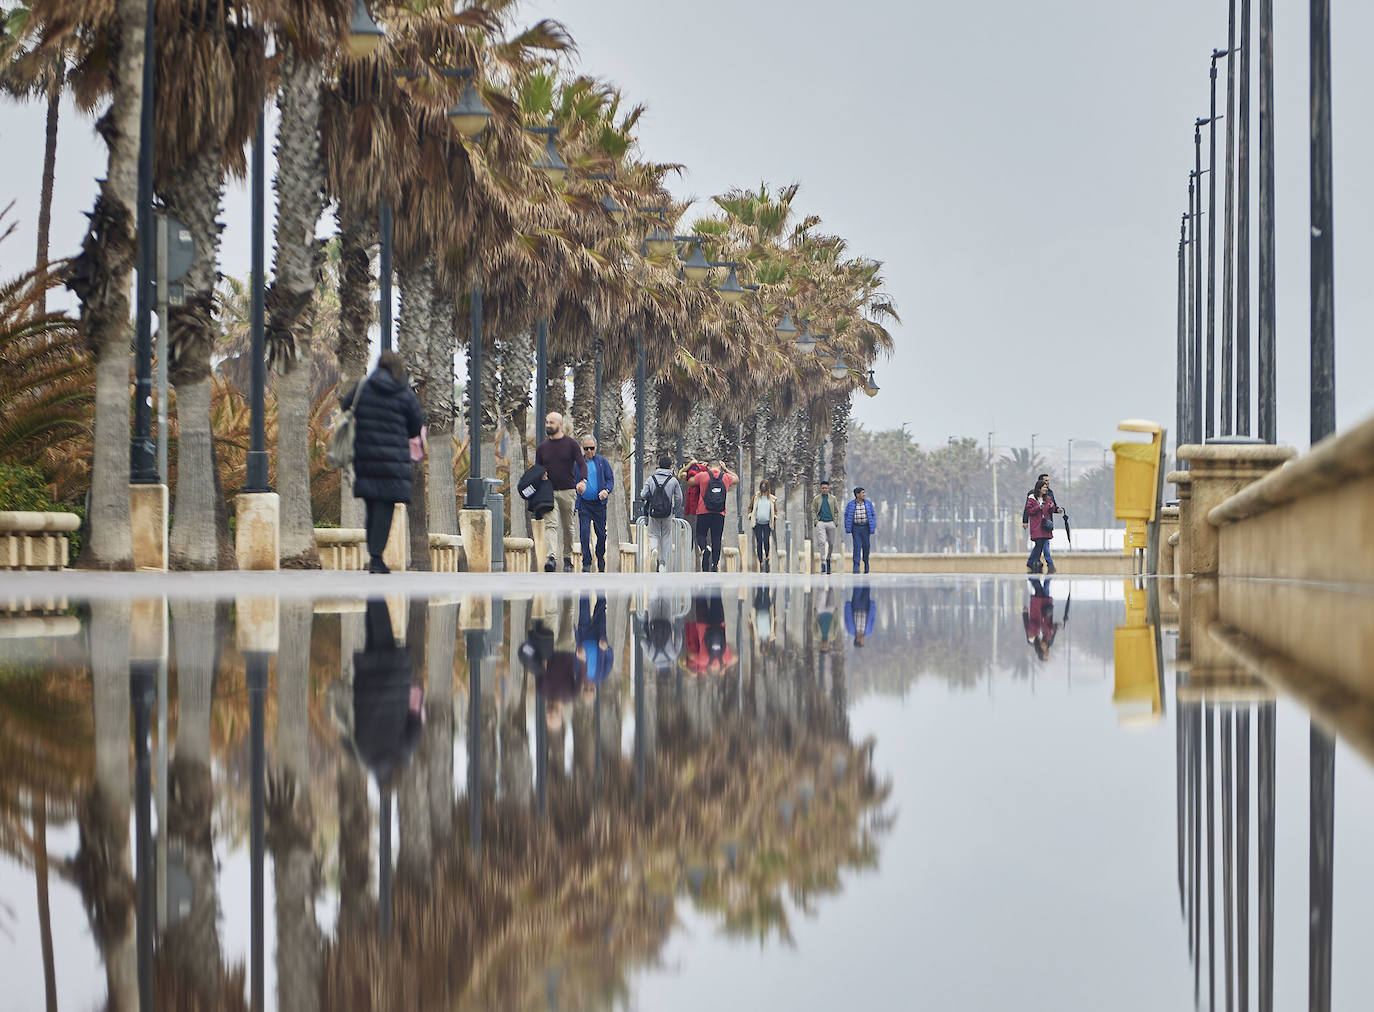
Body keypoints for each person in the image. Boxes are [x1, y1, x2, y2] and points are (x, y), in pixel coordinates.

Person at [341, 350, 424, 574]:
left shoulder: (363, 386)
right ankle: (377, 558)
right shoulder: (403, 392)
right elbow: (416, 425)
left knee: (371, 505)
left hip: (365, 456)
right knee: (385, 508)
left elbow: (346, 405)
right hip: (393, 459)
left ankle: (374, 554)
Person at [534, 412, 587, 572]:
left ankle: (567, 557)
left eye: (551, 422)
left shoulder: (571, 444)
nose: (548, 425)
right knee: (551, 525)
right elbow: (538, 467)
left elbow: (582, 464)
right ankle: (551, 558)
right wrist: (540, 474)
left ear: (560, 425)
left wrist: (583, 481)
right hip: (549, 493)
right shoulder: (542, 447)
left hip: (568, 491)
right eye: (547, 422)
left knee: (568, 527)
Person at [575, 434, 614, 572]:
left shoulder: (602, 462)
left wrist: (606, 491)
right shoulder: (578, 464)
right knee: (584, 533)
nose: (589, 451)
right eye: (586, 449)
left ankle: (600, 555)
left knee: (601, 534)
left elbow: (610, 480)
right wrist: (577, 487)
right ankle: (586, 562)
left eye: (592, 448)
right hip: (584, 504)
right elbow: (572, 480)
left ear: (596, 448)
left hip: (599, 505)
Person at [690, 458, 738, 572]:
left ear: (708, 466)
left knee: (700, 534)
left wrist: (699, 468)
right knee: (716, 538)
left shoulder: (703, 475)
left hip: (703, 511)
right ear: (719, 466)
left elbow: (690, 481)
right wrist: (726, 469)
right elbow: (737, 479)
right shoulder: (725, 477)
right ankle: (715, 564)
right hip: (719, 513)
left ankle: (704, 549)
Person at [640, 453, 684, 572]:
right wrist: (674, 509)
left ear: (659, 466)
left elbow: (643, 495)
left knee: (653, 534)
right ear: (670, 467)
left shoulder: (651, 479)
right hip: (667, 513)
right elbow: (679, 498)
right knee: (666, 536)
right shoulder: (673, 480)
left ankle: (654, 549)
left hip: (653, 512)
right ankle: (662, 564)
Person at [575, 592, 614, 684]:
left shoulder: (578, 674)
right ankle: (599, 580)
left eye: (586, 689)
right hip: (599, 636)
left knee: (584, 605)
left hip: (584, 635)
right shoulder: (603, 675)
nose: (589, 688)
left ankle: (584, 579)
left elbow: (574, 658)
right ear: (595, 691)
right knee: (601, 606)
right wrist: (606, 648)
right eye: (591, 690)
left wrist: (577, 652)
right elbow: (610, 658)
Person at [1025, 479, 1062, 574]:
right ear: (1039, 488)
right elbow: (1029, 511)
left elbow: (1051, 510)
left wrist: (1053, 507)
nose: (1046, 489)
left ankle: (1033, 562)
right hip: (1036, 525)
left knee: (1041, 545)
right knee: (1039, 544)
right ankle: (1035, 562)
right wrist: (1038, 507)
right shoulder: (1032, 498)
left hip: (1045, 526)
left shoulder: (1048, 498)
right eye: (1044, 487)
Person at [679, 457, 709, 569]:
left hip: (692, 510)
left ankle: (689, 565)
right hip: (707, 509)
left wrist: (690, 464)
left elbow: (680, 474)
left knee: (691, 536)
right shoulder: (707, 473)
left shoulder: (692, 477)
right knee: (704, 536)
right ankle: (708, 561)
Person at [1022, 577, 1060, 660]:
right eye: (1047, 652)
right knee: (1046, 589)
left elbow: (1026, 626)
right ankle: (1047, 573)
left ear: (1041, 651)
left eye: (1045, 652)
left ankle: (1032, 575)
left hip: (1036, 611)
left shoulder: (1031, 639)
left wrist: (1025, 614)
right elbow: (1054, 628)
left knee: (1038, 589)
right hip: (1046, 610)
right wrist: (1057, 626)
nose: (1047, 650)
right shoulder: (1049, 640)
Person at [844, 486, 877, 574]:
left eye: (864, 492)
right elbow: (847, 515)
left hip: (866, 528)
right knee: (857, 546)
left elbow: (873, 515)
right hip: (856, 528)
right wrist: (848, 527)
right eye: (862, 493)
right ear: (857, 494)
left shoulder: (868, 503)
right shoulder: (850, 504)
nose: (864, 494)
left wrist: (873, 526)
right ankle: (856, 566)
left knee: (866, 546)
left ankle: (866, 563)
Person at [748, 478, 778, 572]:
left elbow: (775, 510)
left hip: (767, 524)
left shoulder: (772, 499)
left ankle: (767, 556)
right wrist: (750, 516)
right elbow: (750, 507)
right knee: (759, 542)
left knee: (766, 540)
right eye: (762, 486)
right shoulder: (756, 497)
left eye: (765, 487)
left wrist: (774, 518)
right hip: (757, 523)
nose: (763, 488)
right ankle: (761, 561)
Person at [810, 479, 839, 574]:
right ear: (820, 488)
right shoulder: (816, 499)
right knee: (822, 542)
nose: (824, 489)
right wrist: (816, 521)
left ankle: (828, 559)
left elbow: (836, 511)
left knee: (831, 543)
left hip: (831, 522)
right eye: (823, 488)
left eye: (826, 488)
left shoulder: (833, 498)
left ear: (829, 488)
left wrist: (835, 522)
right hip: (821, 522)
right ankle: (822, 562)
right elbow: (813, 510)